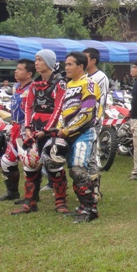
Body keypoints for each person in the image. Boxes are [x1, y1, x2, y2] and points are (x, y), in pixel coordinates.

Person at [11, 50, 66, 215]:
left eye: (40, 60)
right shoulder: (34, 84)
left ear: (49, 62)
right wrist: (28, 127)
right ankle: (30, 202)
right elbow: (28, 106)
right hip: (35, 128)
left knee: (54, 164)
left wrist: (47, 130)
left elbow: (59, 108)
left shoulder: (59, 83)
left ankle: (60, 202)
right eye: (36, 60)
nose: (36, 63)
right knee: (30, 164)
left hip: (53, 129)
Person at [54, 51, 101, 223]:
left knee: (79, 171)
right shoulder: (68, 85)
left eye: (70, 64)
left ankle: (91, 209)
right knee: (74, 171)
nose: (66, 67)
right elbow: (63, 111)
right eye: (65, 64)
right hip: (69, 134)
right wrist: (60, 127)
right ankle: (83, 206)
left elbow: (87, 113)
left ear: (80, 66)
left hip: (84, 133)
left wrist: (67, 130)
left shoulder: (88, 83)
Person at [0, 59, 34, 202]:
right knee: (7, 161)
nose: (16, 71)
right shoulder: (16, 86)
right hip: (15, 128)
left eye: (20, 69)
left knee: (29, 163)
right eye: (16, 68)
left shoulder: (33, 88)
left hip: (27, 130)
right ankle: (12, 192)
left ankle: (32, 196)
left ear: (29, 74)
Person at [83, 48, 109, 200]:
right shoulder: (84, 76)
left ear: (93, 60)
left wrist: (94, 121)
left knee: (91, 154)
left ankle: (95, 190)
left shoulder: (100, 77)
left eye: (85, 58)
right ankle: (86, 187)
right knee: (83, 155)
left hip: (93, 122)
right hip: (82, 122)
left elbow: (100, 101)